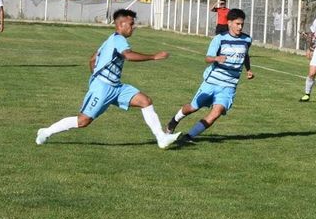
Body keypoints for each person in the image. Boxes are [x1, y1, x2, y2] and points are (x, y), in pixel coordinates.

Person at [35, 9, 180, 149]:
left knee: (145, 101)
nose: (133, 27)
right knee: (83, 121)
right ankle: (46, 132)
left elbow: (92, 60)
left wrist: (96, 76)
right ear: (121, 24)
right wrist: (154, 56)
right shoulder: (118, 39)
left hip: (116, 87)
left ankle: (161, 138)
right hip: (103, 88)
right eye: (131, 24)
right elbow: (128, 55)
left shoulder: (110, 40)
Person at [166, 8, 254, 144]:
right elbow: (207, 58)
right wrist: (217, 58)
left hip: (229, 85)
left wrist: (248, 69)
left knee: (216, 113)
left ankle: (188, 137)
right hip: (212, 81)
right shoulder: (219, 39)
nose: (240, 27)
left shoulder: (247, 39)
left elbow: (245, 54)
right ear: (229, 23)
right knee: (192, 108)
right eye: (237, 24)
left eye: (242, 24)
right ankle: (173, 121)